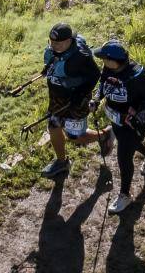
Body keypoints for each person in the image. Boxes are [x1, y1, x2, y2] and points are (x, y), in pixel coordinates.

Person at [93, 41, 145, 214]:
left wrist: (136, 115)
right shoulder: (109, 69)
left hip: (135, 122)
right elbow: (102, 85)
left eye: (104, 58)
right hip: (117, 119)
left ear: (115, 60)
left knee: (123, 156)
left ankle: (124, 195)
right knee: (129, 143)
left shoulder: (137, 76)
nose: (101, 61)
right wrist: (96, 99)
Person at [40, 24, 103, 180]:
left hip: (76, 101)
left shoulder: (81, 57)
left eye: (58, 43)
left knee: (75, 136)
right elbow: (52, 65)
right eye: (51, 42)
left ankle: (105, 135)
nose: (54, 46)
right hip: (56, 98)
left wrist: (80, 94)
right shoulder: (52, 50)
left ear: (69, 41)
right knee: (53, 126)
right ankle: (62, 162)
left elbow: (95, 75)